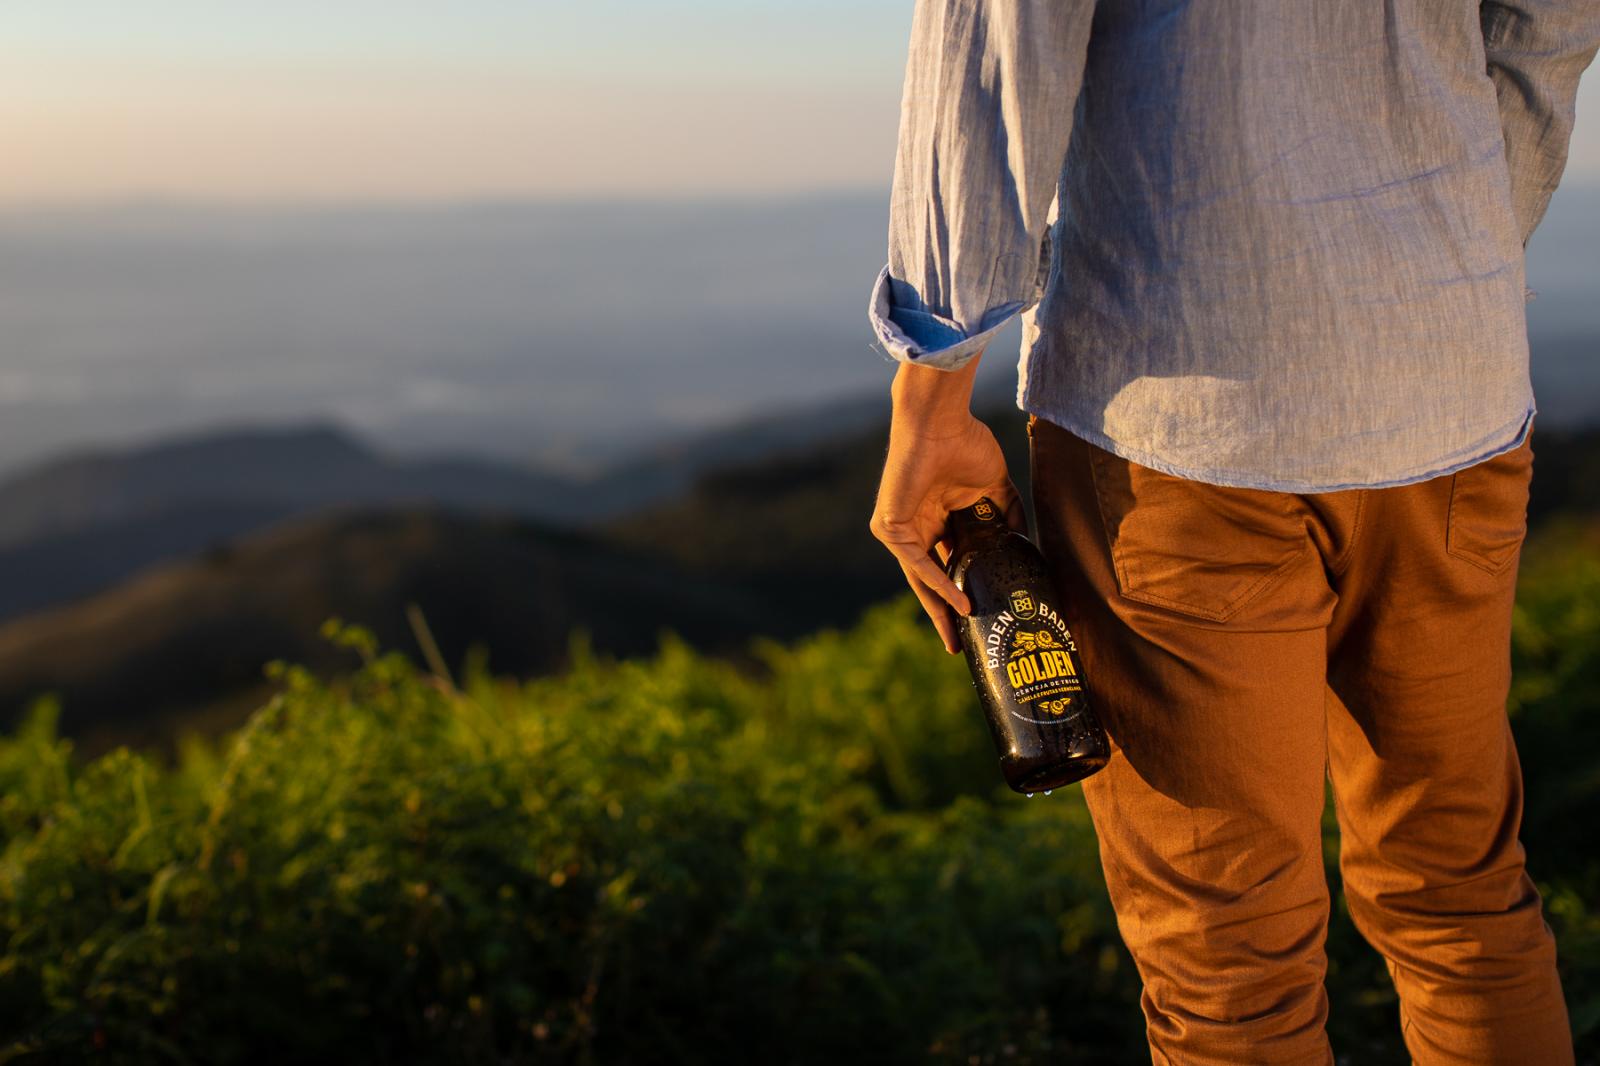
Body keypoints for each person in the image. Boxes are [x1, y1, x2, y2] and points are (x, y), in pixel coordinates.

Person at [865, 2, 1600, 1062]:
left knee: (1229, 962)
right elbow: (1547, 21)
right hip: (1452, 384)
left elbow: (998, 41)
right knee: (1461, 897)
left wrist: (933, 384)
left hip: (1176, 410)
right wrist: (1459, 245)